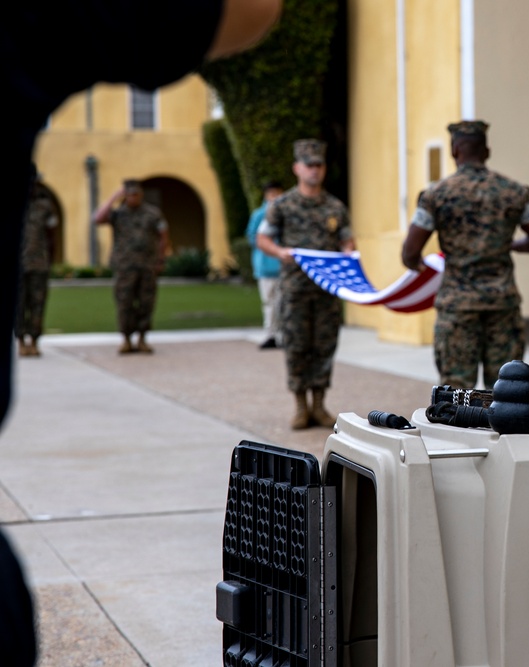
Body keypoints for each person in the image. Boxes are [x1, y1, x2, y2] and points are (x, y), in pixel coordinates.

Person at [1, 4, 283, 664]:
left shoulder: (147, 211)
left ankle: (116, 339)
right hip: (95, 267)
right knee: (88, 302)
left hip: (121, 268)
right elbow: (252, 11)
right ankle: (71, 336)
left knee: (128, 305)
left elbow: (147, 235)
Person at [401, 120, 529, 390]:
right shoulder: (514, 192)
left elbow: (410, 252)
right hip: (502, 305)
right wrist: (510, 246)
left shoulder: (436, 195)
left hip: (457, 308)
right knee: (507, 390)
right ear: (487, 151)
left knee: (457, 392)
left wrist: (423, 267)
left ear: (454, 151)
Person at [256, 139, 356, 430]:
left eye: (319, 165)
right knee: (297, 346)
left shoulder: (335, 207)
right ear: (297, 168)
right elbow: (263, 239)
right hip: (295, 289)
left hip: (326, 291)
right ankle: (300, 406)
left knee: (324, 346)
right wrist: (280, 253)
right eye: (309, 165)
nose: (314, 170)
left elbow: (347, 240)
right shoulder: (282, 205)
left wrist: (349, 251)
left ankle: (319, 405)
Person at [92, 180, 169, 355]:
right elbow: (98, 219)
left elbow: (163, 236)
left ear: (141, 194)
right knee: (124, 303)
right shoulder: (118, 214)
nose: (132, 197)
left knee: (146, 302)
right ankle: (126, 340)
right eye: (129, 194)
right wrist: (113, 198)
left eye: (135, 194)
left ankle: (142, 339)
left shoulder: (152, 213)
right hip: (124, 266)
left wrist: (161, 259)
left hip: (147, 265)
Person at [17, 174, 58, 358]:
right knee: (19, 305)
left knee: (38, 304)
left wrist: (50, 259)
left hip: (39, 263)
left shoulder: (45, 206)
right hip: (18, 266)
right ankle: (21, 342)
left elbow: (52, 235)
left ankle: (34, 341)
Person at [246, 180, 286, 349]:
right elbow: (252, 237)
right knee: (269, 302)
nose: (275, 198)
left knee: (283, 303)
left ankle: (284, 335)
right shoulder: (259, 215)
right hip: (265, 266)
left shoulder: (287, 213)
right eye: (272, 194)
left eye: (278, 193)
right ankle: (271, 334)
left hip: (283, 266)